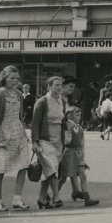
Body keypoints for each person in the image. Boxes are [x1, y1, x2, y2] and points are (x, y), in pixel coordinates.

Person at [0, 65, 32, 212]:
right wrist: (0, 139)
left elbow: (20, 116)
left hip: (18, 131)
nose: (15, 81)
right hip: (4, 133)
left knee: (24, 163)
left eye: (17, 78)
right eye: (12, 78)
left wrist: (25, 133)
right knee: (1, 168)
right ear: (4, 78)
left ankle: (17, 198)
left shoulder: (19, 94)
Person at [31, 75, 68, 210]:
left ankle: (41, 199)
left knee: (49, 169)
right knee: (51, 168)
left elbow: (63, 120)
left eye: (60, 85)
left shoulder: (62, 102)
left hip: (58, 140)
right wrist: (35, 142)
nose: (59, 87)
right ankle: (57, 197)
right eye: (56, 85)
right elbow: (35, 123)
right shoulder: (42, 102)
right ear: (49, 86)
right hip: (44, 140)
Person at [57, 106, 99, 206]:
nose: (79, 117)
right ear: (69, 116)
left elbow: (81, 144)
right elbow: (66, 142)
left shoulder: (78, 127)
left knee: (82, 175)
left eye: (80, 115)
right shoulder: (67, 126)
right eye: (76, 115)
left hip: (78, 154)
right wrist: (69, 131)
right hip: (69, 154)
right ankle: (53, 194)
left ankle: (87, 197)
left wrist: (83, 159)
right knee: (63, 178)